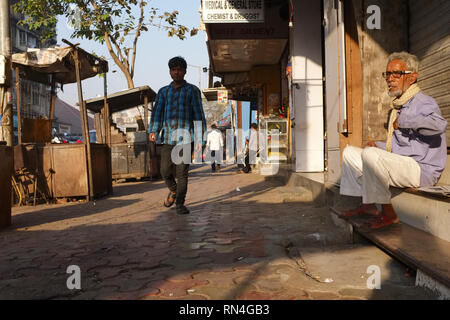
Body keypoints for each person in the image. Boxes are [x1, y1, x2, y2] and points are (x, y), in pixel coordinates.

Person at [339, 51, 447, 229]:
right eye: (387, 74)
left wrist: (405, 121)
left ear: (411, 78)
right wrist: (380, 145)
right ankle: (368, 206)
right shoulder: (400, 104)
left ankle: (389, 214)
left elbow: (439, 125)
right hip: (405, 162)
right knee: (350, 153)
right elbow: (402, 146)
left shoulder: (423, 102)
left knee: (372, 156)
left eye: (396, 74)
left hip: (422, 169)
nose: (390, 79)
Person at [148, 56, 206, 215]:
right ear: (170, 72)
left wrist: (200, 138)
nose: (176, 72)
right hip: (167, 138)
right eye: (173, 70)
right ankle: (174, 191)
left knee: (182, 173)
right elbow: (157, 113)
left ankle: (180, 203)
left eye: (179, 69)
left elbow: (198, 115)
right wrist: (153, 130)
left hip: (186, 138)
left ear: (185, 71)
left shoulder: (192, 90)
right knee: (165, 171)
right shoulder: (163, 92)